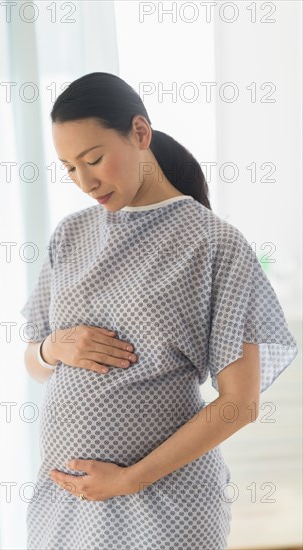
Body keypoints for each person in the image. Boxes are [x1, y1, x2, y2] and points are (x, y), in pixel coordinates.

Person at [20, 72, 298, 550]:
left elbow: (240, 404)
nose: (84, 182)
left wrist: (128, 479)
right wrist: (52, 347)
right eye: (68, 168)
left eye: (94, 159)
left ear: (140, 133)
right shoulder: (70, 236)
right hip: (67, 502)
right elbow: (35, 363)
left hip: (167, 503)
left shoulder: (217, 245)